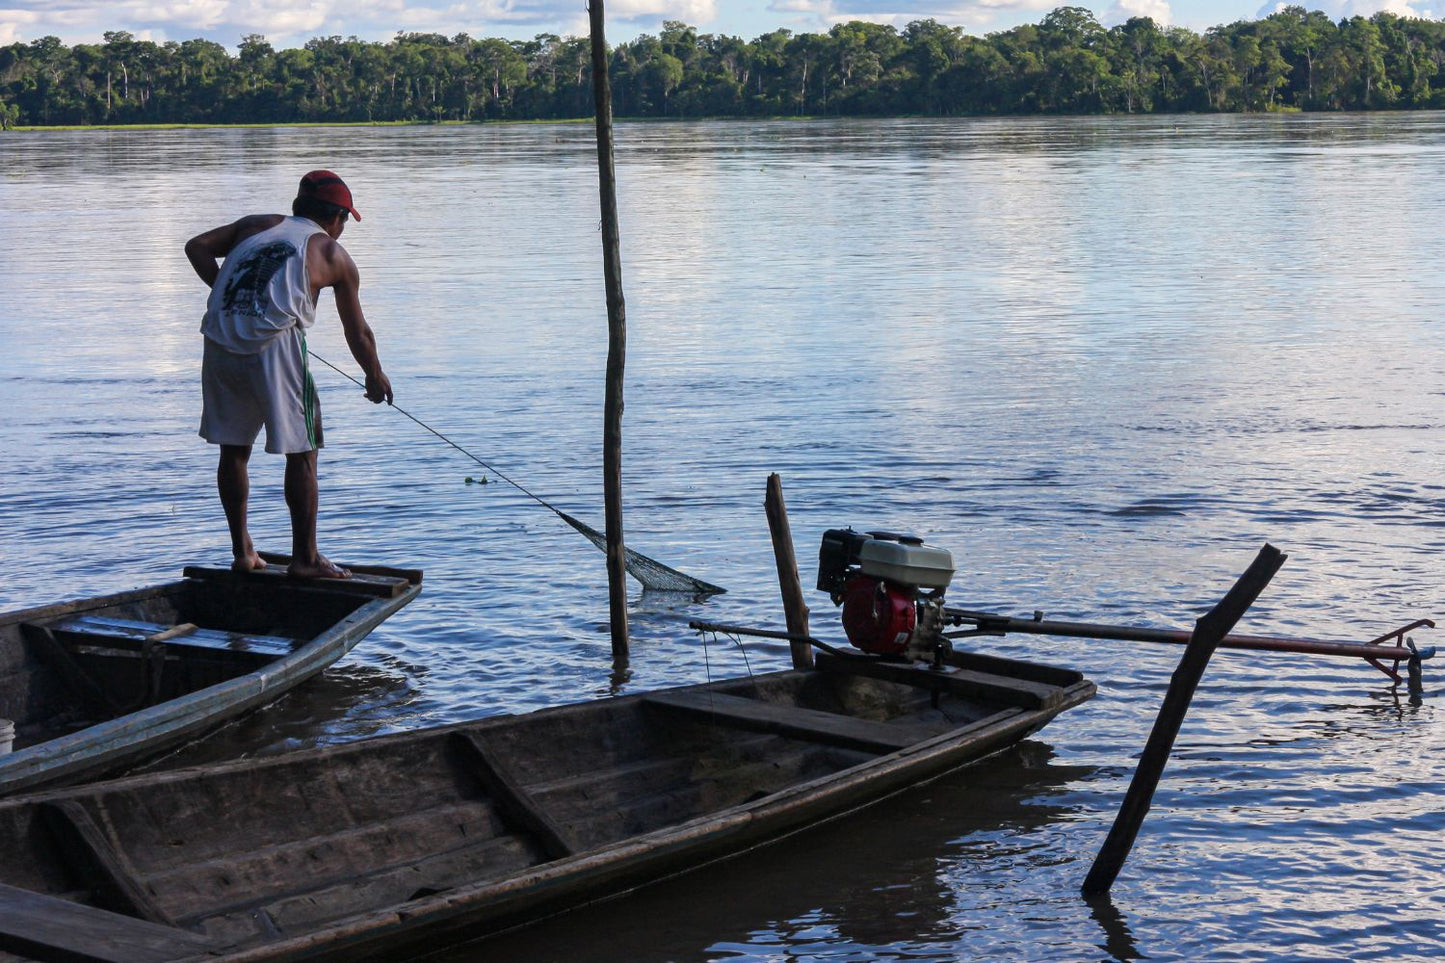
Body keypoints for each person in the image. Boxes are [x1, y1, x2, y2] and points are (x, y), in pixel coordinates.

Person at [185, 170, 393, 579]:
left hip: (220, 336)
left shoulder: (257, 224)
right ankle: (306, 559)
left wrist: (229, 292)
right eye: (345, 220)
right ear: (335, 217)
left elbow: (197, 247)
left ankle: (244, 552)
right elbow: (358, 332)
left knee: (233, 449)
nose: (343, 229)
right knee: (303, 450)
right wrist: (374, 374)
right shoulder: (332, 254)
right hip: (276, 346)